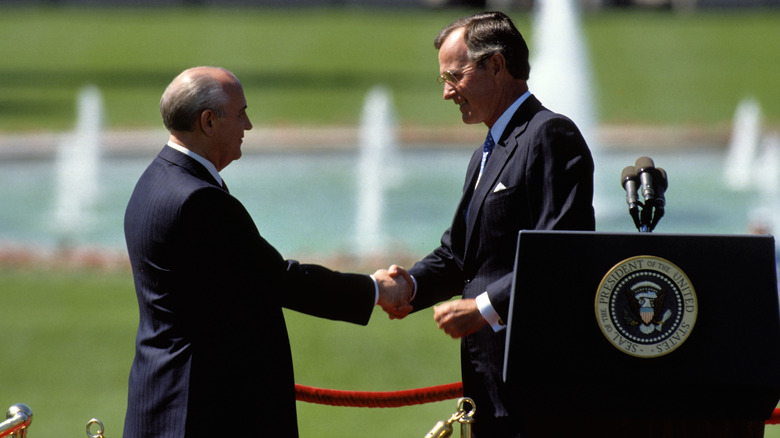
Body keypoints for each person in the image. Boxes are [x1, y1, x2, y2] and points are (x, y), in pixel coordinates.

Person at [122, 66, 410, 438]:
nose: (249, 126)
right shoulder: (199, 199)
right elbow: (277, 280)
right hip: (201, 410)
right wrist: (375, 290)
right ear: (209, 122)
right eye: (241, 114)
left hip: (163, 399)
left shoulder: (155, 179)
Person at [383, 12, 595, 437]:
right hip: (490, 387)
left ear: (496, 65)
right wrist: (409, 287)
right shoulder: (485, 152)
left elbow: (563, 252)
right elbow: (458, 254)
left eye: (454, 76)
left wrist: (482, 309)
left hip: (538, 389)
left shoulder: (549, 134)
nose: (446, 93)